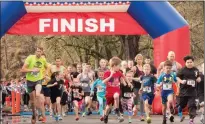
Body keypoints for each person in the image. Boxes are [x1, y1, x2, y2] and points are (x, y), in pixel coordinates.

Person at [21, 46, 48, 123]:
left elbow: (46, 67)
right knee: (32, 102)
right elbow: (22, 69)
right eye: (37, 51)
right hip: (29, 81)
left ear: (42, 52)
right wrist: (32, 69)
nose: (38, 53)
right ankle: (33, 113)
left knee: (38, 94)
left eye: (40, 51)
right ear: (35, 52)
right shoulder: (30, 58)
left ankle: (40, 114)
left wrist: (44, 74)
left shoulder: (43, 59)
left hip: (38, 80)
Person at [103, 56, 129, 123]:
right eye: (119, 66)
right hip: (109, 92)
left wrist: (128, 83)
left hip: (116, 90)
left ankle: (116, 109)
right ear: (114, 66)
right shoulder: (107, 73)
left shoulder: (119, 72)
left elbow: (124, 77)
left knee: (116, 96)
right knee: (108, 107)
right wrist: (110, 76)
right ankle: (105, 115)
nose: (120, 67)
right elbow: (103, 82)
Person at [176, 55, 201, 124]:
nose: (189, 63)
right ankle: (180, 107)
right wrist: (181, 81)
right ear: (185, 63)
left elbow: (198, 77)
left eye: (191, 62)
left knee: (192, 105)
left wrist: (199, 79)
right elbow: (177, 77)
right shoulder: (182, 70)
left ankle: (191, 119)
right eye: (188, 62)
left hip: (192, 91)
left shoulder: (196, 70)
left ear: (193, 62)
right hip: (184, 91)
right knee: (182, 104)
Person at [132, 54, 145, 121]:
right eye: (138, 59)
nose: (139, 60)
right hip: (136, 86)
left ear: (142, 60)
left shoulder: (144, 67)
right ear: (136, 60)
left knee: (142, 100)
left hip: (142, 87)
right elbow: (131, 77)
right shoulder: (134, 68)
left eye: (141, 59)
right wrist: (138, 78)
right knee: (135, 100)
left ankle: (142, 115)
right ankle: (135, 108)